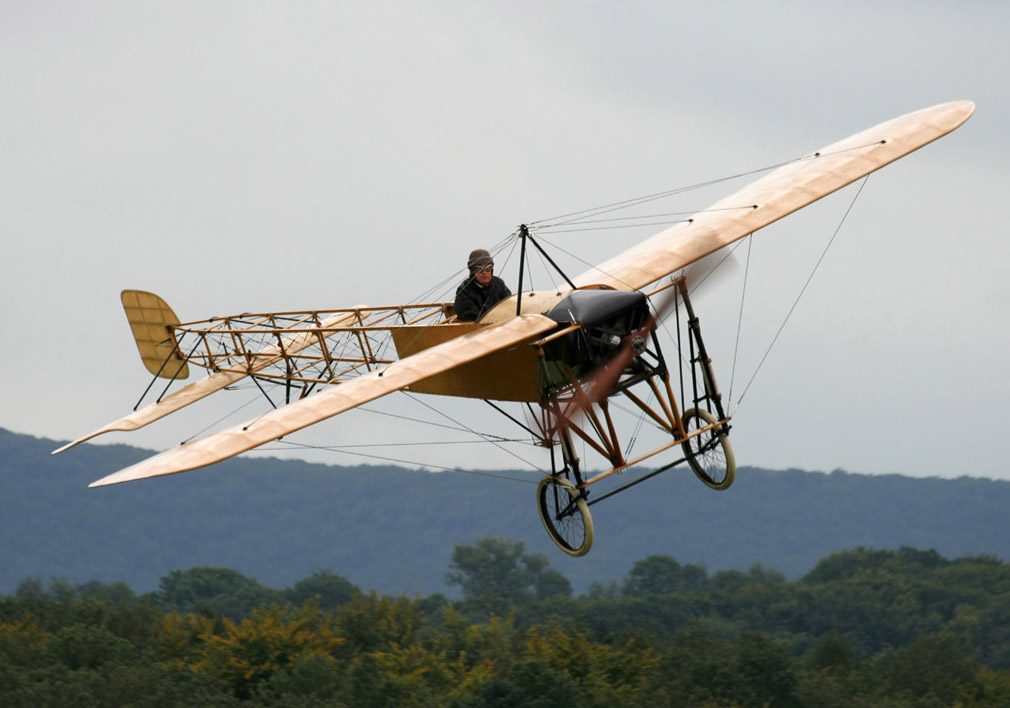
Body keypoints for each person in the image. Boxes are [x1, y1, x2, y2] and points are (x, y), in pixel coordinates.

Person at [454, 248, 511, 321]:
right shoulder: (464, 291)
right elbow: (470, 316)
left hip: (501, 325)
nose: (484, 272)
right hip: (477, 329)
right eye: (479, 269)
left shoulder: (499, 284)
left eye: (488, 268)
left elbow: (509, 305)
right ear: (472, 272)